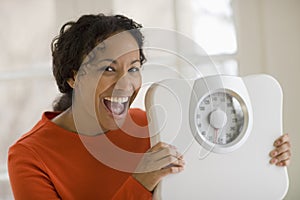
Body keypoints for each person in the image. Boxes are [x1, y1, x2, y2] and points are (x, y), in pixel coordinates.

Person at [8, 13, 291, 200]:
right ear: (72, 76)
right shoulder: (29, 156)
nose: (125, 84)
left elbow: (218, 182)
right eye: (108, 69)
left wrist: (263, 157)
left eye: (133, 68)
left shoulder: (153, 126)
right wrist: (140, 181)